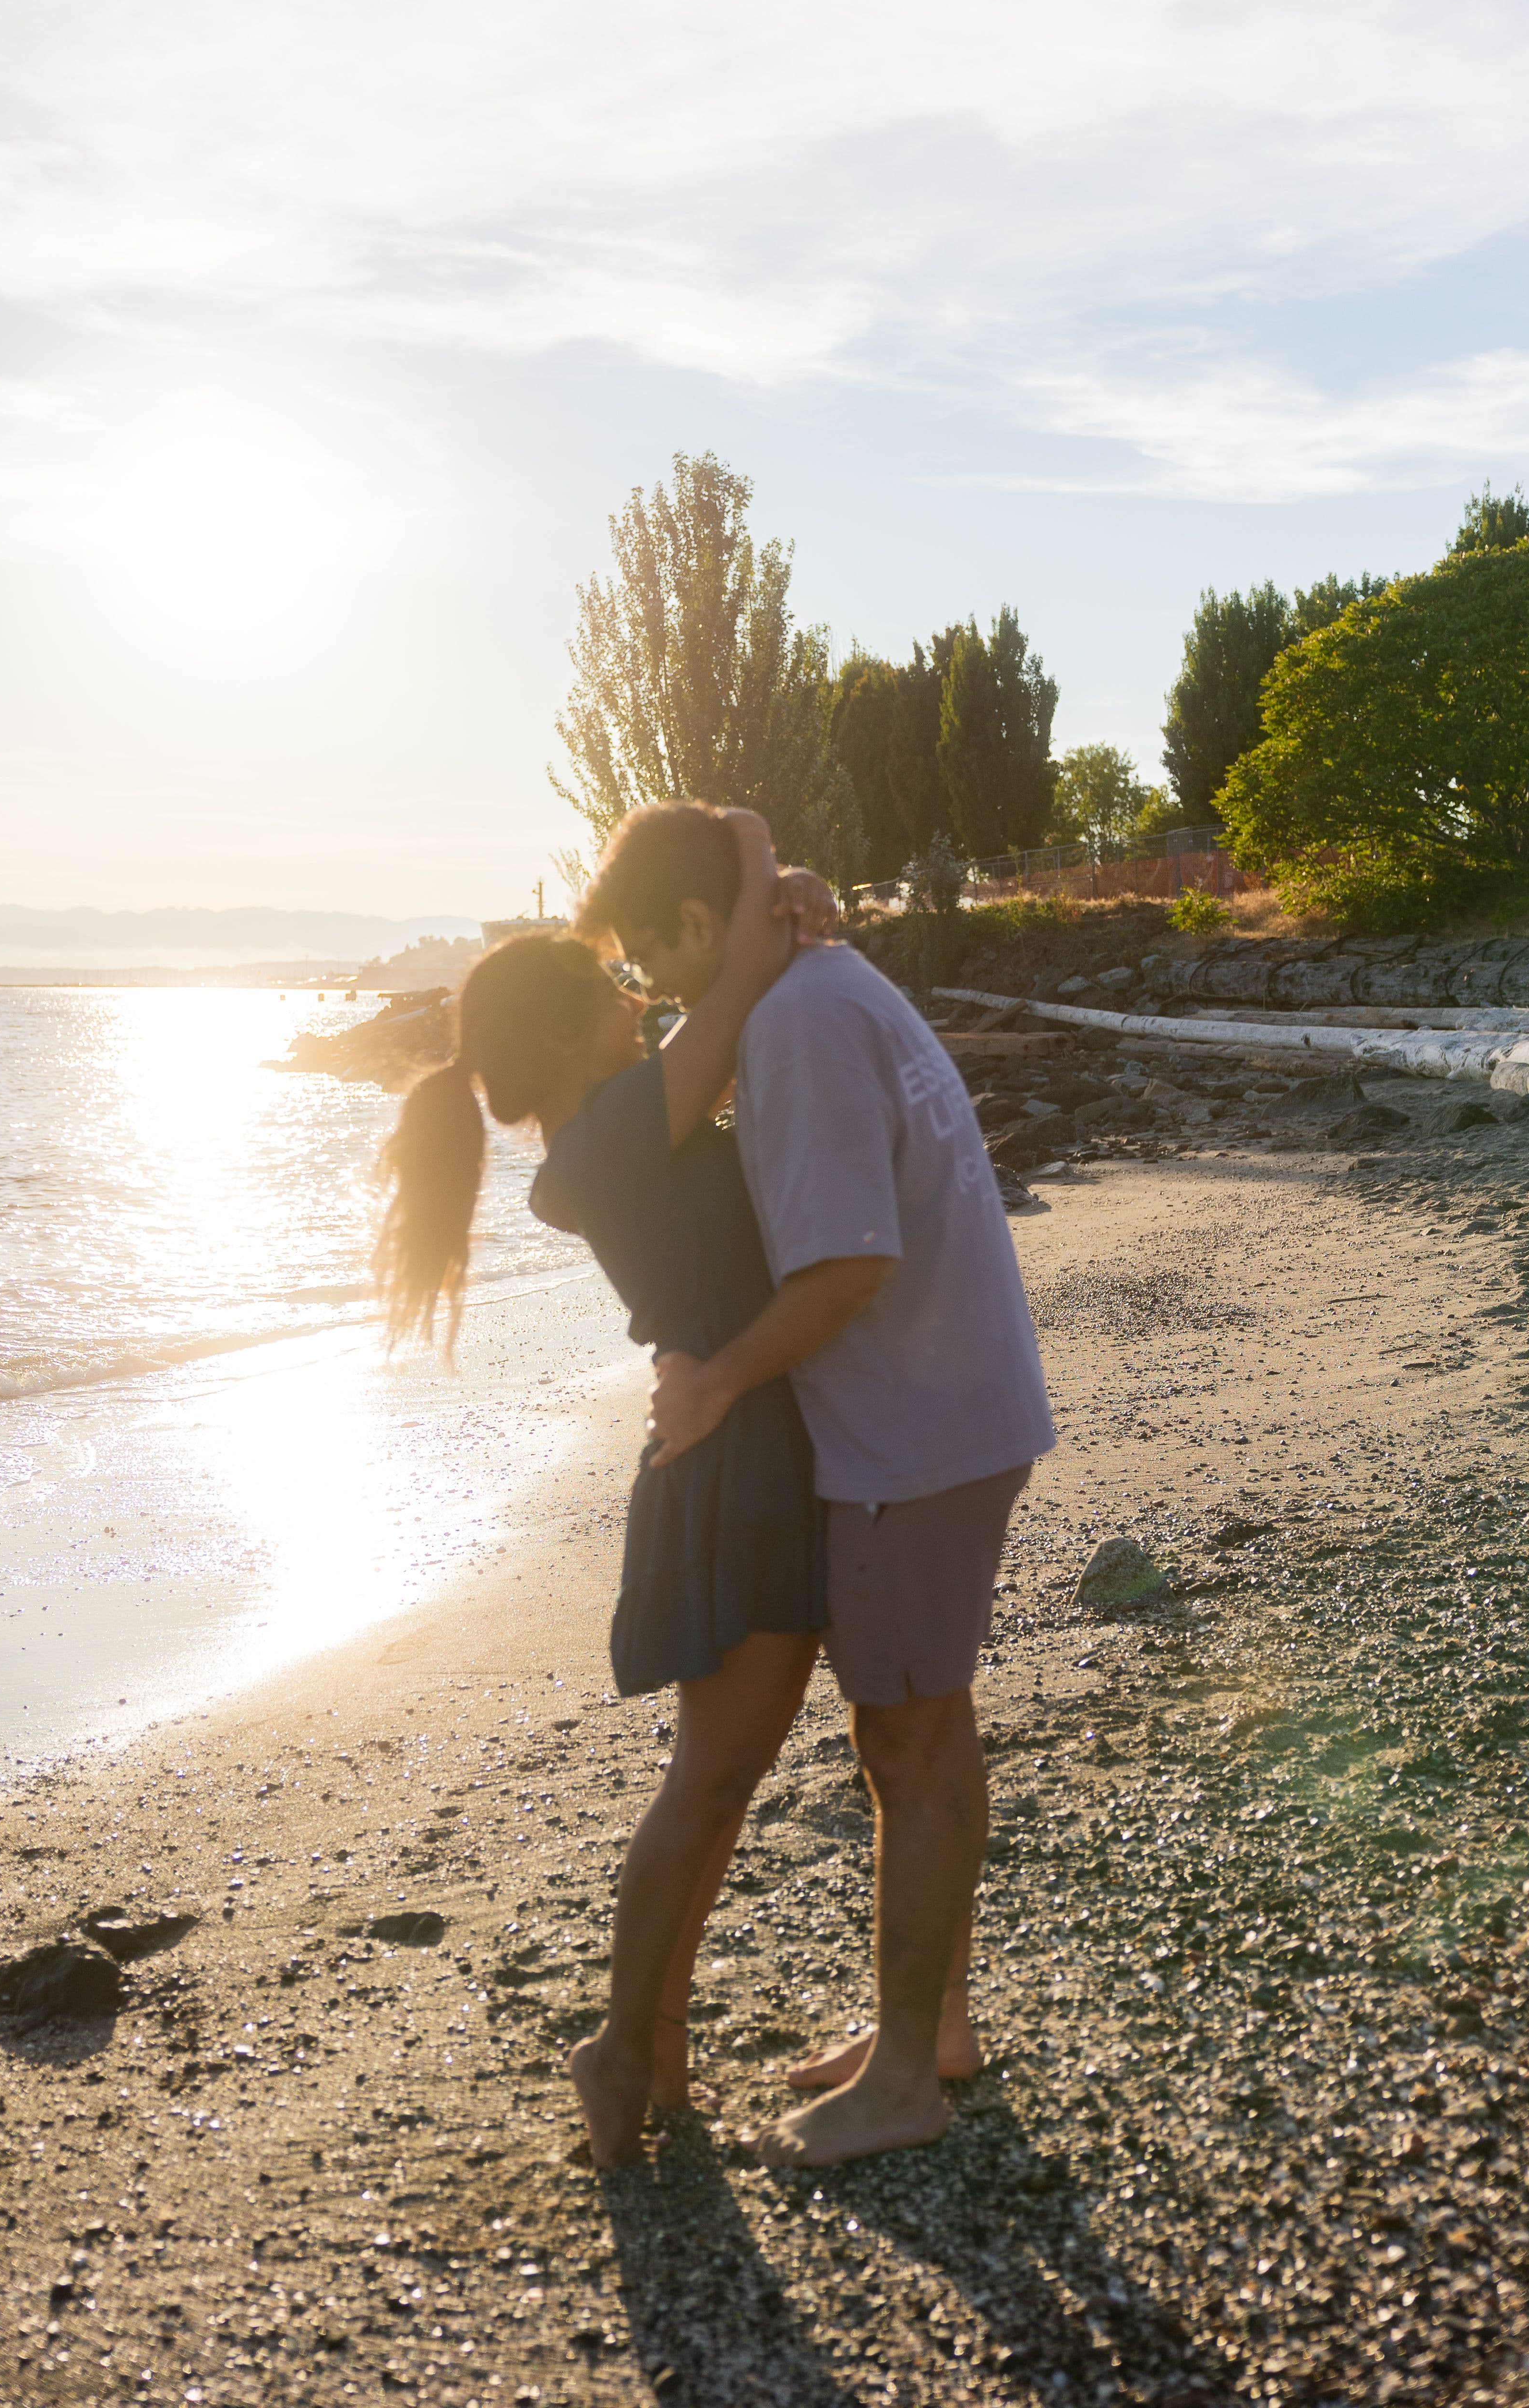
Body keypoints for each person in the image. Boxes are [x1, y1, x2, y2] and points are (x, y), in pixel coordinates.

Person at [576, 801, 1056, 2168]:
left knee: (914, 1740)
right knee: (910, 1735)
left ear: (692, 924)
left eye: (656, 966)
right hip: (950, 1408)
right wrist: (766, 872)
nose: (662, 1002)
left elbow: (849, 1267)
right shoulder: (821, 982)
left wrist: (717, 1379)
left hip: (914, 1431)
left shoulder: (791, 1022)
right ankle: (935, 2029)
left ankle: (910, 2079)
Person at [375, 809, 831, 2169]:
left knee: (721, 1781)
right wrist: (759, 857)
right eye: (614, 993)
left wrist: (774, 894)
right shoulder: (603, 1146)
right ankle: (622, 2049)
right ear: (571, 1038)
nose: (640, 1003)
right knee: (711, 1779)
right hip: (738, 1461)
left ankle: (653, 2043)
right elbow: (743, 976)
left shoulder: (607, 1141)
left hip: (741, 1439)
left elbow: (748, 1002)